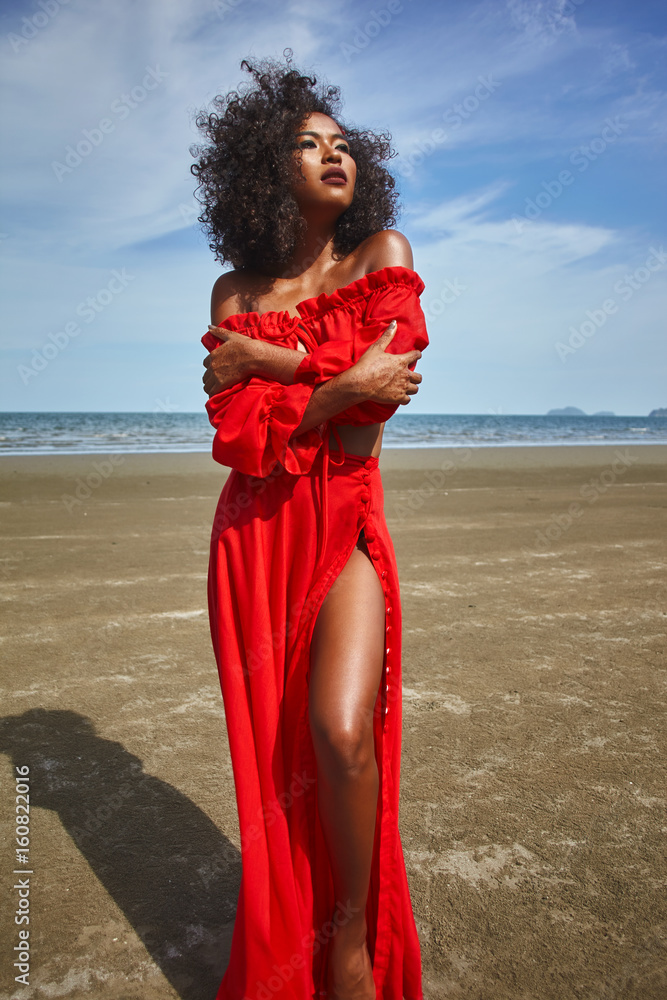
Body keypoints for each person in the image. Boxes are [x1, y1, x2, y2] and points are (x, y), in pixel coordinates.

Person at [192, 52, 429, 1000]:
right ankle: (293, 935)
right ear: (263, 170)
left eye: (343, 146)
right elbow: (239, 438)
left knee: (338, 734)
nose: (334, 157)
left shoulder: (385, 258)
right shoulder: (234, 292)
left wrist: (276, 368)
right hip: (253, 538)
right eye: (307, 143)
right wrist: (326, 383)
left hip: (346, 522)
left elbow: (386, 390)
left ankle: (347, 947)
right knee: (276, 756)